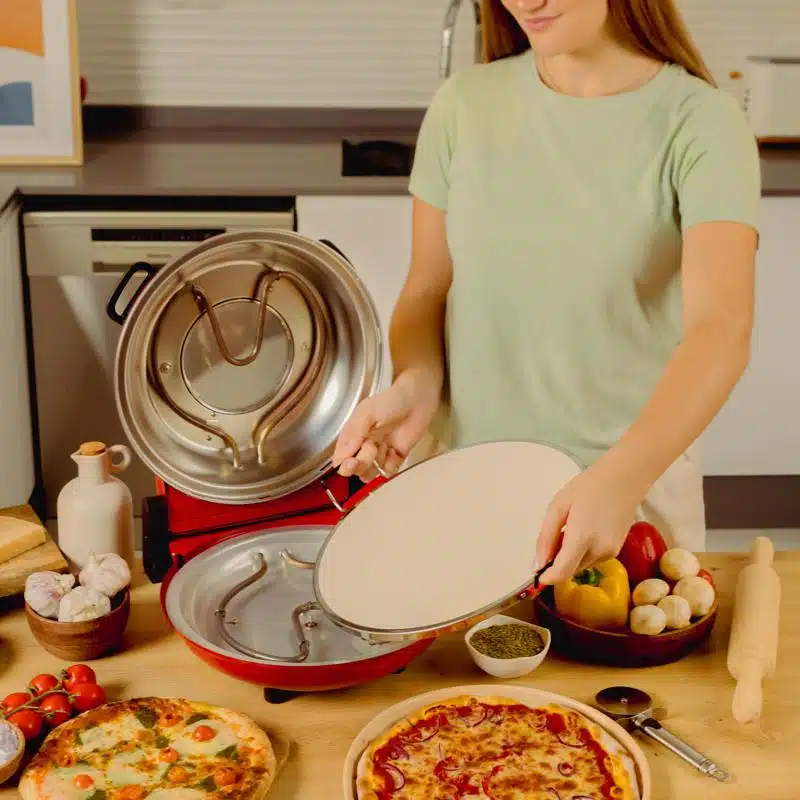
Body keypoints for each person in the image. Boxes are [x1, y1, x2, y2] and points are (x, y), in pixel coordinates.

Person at [332, 0, 760, 586]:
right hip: (457, 484)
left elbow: (722, 330)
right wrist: (416, 384)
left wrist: (619, 480)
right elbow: (429, 287)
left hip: (615, 502)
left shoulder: (702, 124)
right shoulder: (463, 105)